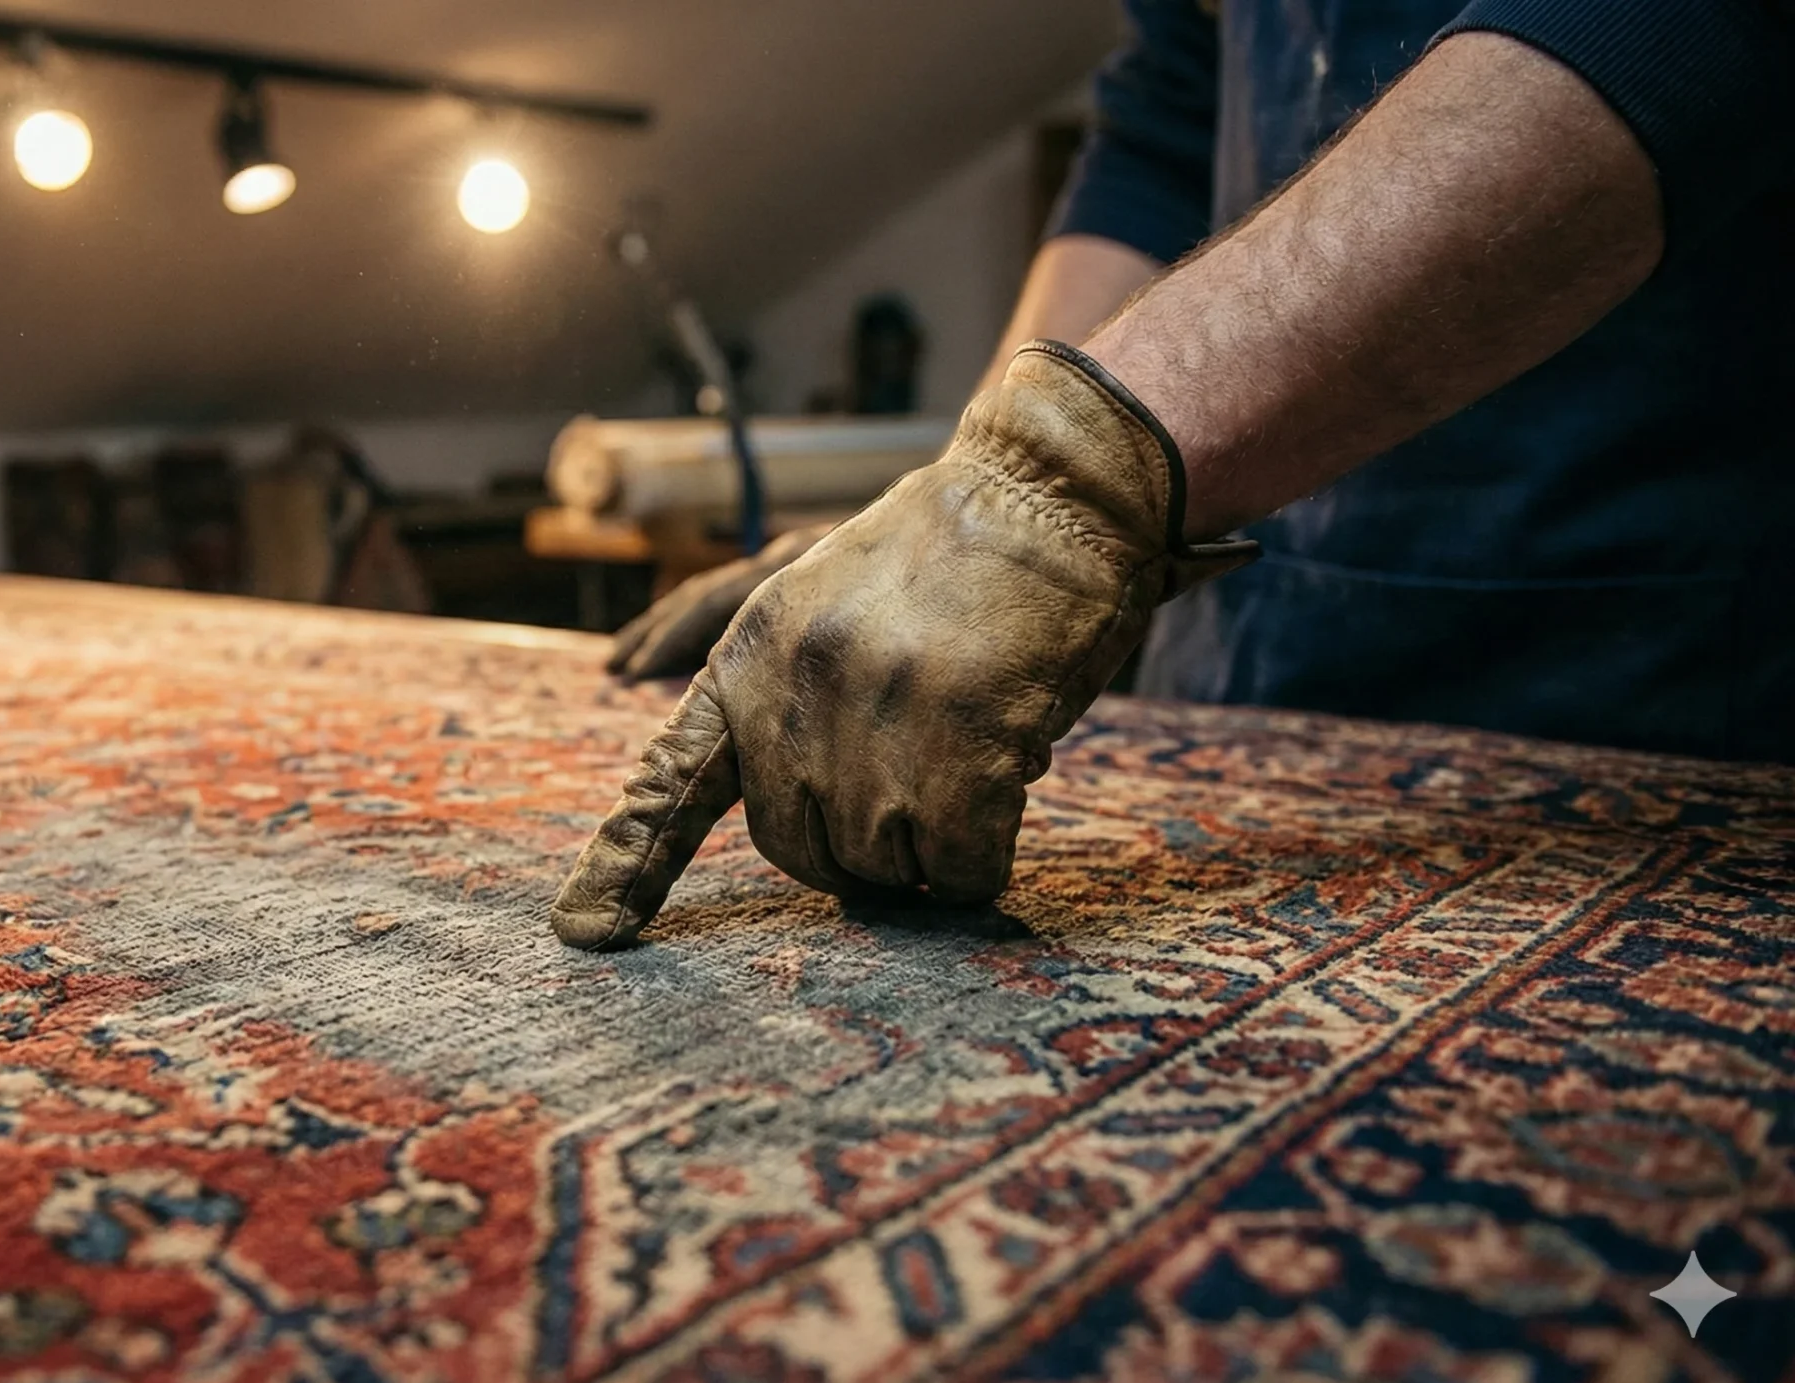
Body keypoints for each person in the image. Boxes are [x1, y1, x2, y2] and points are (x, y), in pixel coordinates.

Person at [557, 1, 1795, 950]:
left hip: (1631, 673)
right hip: (1234, 657)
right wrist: (954, 511)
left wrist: (1056, 481)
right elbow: (1164, 120)